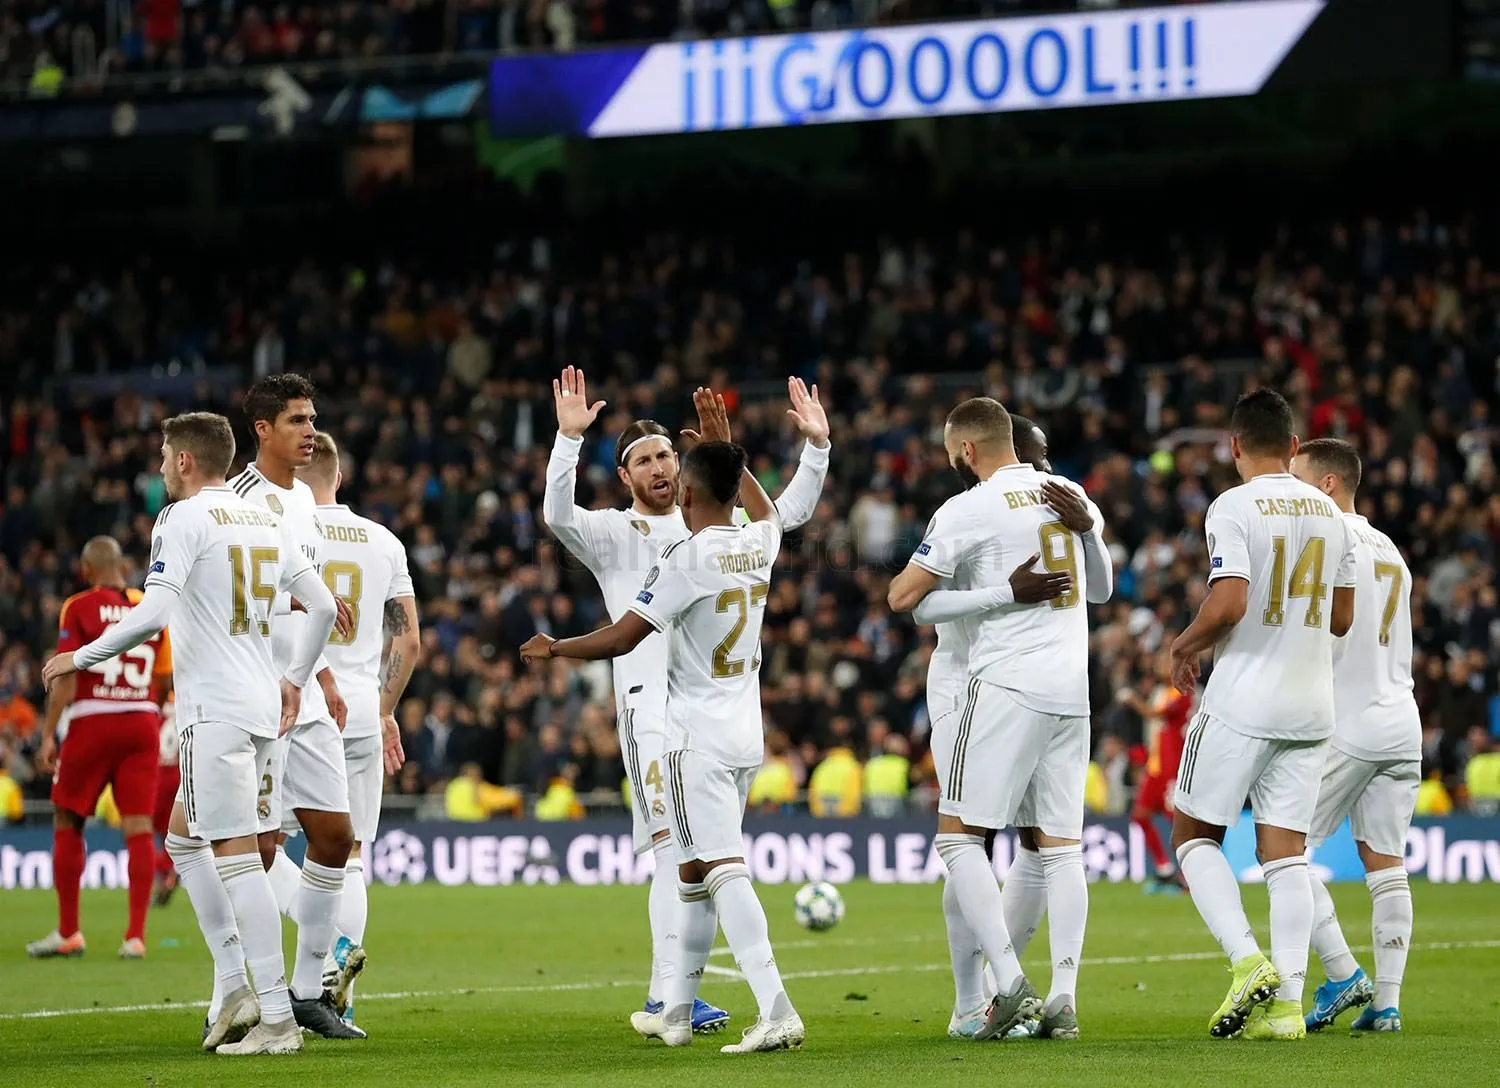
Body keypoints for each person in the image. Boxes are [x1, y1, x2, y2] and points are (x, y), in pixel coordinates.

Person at [541, 367, 829, 1036]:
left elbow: (784, 513)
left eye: (667, 454)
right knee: (677, 851)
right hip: (652, 710)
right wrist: (567, 441)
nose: (659, 467)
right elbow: (557, 515)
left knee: (694, 858)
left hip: (700, 714)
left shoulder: (707, 531)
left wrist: (797, 452)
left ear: (686, 469)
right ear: (625, 477)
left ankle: (671, 1000)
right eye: (643, 460)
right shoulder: (614, 533)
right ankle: (669, 999)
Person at [41, 411, 339, 1056]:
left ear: (183, 460)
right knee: (181, 838)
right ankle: (233, 984)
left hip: (217, 711)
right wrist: (295, 679)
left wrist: (80, 657)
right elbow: (321, 605)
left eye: (162, 457)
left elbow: (153, 613)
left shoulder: (182, 518)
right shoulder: (264, 517)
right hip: (264, 707)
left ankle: (276, 1018)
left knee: (236, 855)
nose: (159, 467)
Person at [888, 398, 1112, 1041]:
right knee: (1058, 847)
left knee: (961, 838)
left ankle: (1004, 987)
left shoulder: (969, 507)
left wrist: (1003, 593)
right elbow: (1101, 591)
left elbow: (904, 598)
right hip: (1066, 690)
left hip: (999, 685)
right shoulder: (1070, 494)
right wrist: (1089, 533)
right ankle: (1056, 998)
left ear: (967, 450)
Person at [1168, 389, 1357, 1042]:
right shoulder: (1333, 515)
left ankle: (1247, 960)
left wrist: (1183, 645)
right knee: (1286, 856)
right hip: (1312, 706)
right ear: (1295, 446)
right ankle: (1287, 1011)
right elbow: (1341, 618)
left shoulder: (1233, 505)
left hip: (1244, 699)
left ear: (1234, 446)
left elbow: (1229, 603)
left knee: (1192, 835)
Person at [221, 374, 363, 1041]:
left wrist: (322, 675)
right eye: (297, 421)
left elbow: (304, 600)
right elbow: (233, 597)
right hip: (258, 693)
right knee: (257, 846)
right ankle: (237, 994)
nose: (311, 431)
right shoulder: (236, 501)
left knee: (334, 835)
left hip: (301, 691)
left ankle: (308, 992)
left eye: (312, 419)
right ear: (262, 430)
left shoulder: (305, 499)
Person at [1292, 437, 1418, 1034]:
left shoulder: (1327, 540)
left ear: (1329, 484)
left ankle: (1342, 972)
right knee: (1386, 864)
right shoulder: (1391, 549)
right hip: (1401, 721)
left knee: (1281, 848)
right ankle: (1386, 1006)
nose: (1291, 493)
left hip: (1348, 719)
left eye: (1298, 481)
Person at [301, 431, 421, 1027]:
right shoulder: (384, 541)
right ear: (340, 477)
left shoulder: (287, 531)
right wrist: (383, 708)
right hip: (362, 714)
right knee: (348, 855)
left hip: (301, 707)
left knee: (260, 847)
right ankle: (339, 998)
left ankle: (305, 971)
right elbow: (409, 641)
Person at [27, 536, 172, 960]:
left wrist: (49, 733)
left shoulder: (79, 606)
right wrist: (146, 707)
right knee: (139, 826)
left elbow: (66, 674)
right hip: (142, 721)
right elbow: (165, 676)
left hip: (92, 720)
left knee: (68, 817)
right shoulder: (151, 606)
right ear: (123, 568)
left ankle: (69, 932)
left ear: (87, 570)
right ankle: (135, 937)